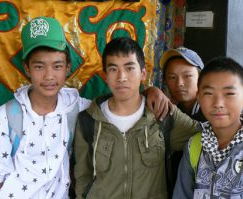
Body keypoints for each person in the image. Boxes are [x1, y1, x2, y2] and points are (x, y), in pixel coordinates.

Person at [0, 17, 171, 199]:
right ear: (26, 68)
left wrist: (150, 91)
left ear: (67, 67)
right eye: (39, 66)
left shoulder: (77, 108)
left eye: (57, 66)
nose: (49, 76)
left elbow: (118, 103)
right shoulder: (8, 114)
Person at [73, 37, 203, 199]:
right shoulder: (88, 119)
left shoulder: (163, 114)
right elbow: (82, 177)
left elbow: (211, 136)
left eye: (129, 68)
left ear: (143, 73)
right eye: (113, 69)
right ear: (105, 76)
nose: (122, 77)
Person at [160, 47, 243, 197]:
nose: (218, 103)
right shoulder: (194, 146)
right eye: (208, 93)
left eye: (229, 94)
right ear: (199, 96)